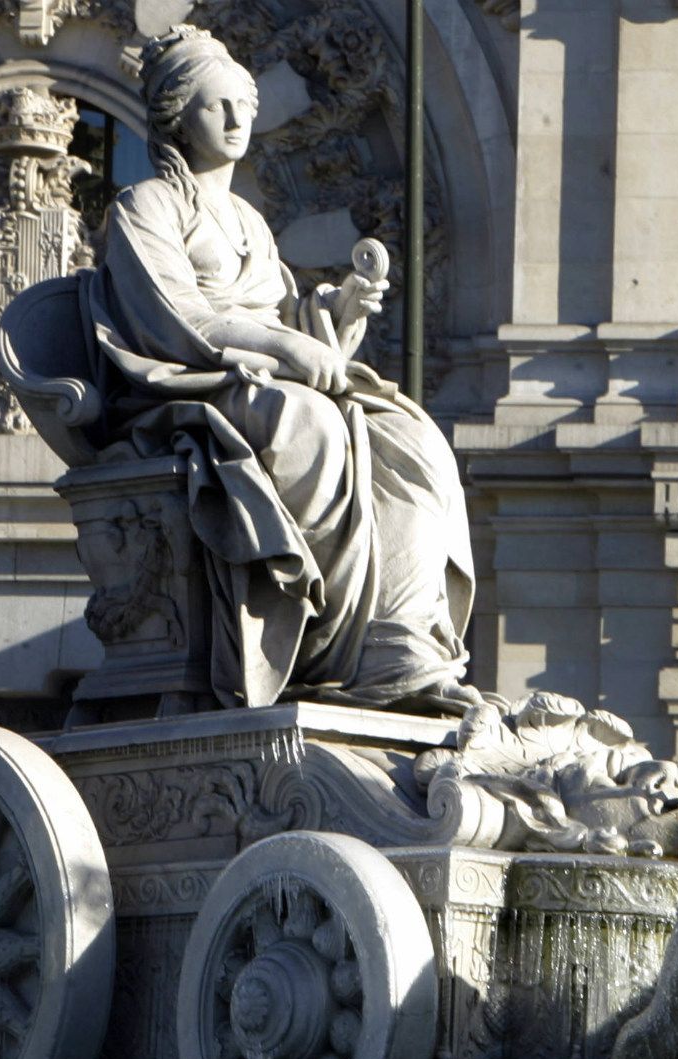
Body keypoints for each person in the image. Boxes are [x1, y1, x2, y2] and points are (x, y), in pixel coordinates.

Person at [84, 25, 481, 715]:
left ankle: (397, 640)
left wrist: (338, 312)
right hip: (185, 389)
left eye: (245, 103)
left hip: (260, 383)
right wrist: (291, 351)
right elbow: (177, 320)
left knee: (414, 441)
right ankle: (323, 643)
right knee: (313, 429)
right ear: (179, 115)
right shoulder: (144, 207)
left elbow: (286, 318)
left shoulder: (248, 221)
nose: (239, 120)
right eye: (219, 106)